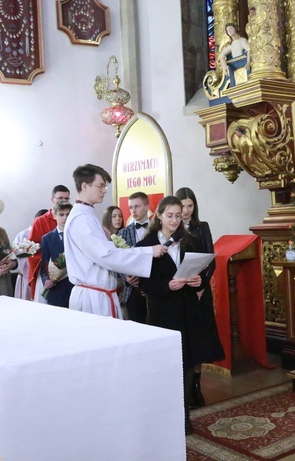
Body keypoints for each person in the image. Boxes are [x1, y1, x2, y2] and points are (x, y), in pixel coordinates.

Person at [137, 196, 216, 435]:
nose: (174, 220)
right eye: (169, 215)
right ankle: (165, 414)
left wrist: (196, 280)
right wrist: (166, 286)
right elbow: (144, 284)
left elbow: (199, 270)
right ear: (159, 215)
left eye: (178, 216)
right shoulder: (147, 244)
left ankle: (184, 416)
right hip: (163, 311)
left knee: (188, 361)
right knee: (168, 364)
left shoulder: (188, 240)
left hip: (188, 307)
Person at [63, 164, 166, 318]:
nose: (104, 190)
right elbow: (107, 255)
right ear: (84, 186)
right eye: (101, 185)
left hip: (99, 294)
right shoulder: (82, 219)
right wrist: (148, 251)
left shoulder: (86, 216)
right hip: (93, 299)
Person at [175, 187, 224, 407]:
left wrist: (202, 284)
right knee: (186, 338)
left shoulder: (202, 227)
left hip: (199, 289)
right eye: (182, 206)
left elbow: (210, 258)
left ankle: (197, 383)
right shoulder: (172, 230)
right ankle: (184, 385)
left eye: (189, 206)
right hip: (180, 290)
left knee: (200, 338)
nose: (185, 211)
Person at [27, 185, 71, 303]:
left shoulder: (73, 221)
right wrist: (52, 272)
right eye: (60, 198)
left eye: (66, 199)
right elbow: (33, 248)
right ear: (52, 199)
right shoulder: (41, 221)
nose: (63, 201)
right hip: (51, 276)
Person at [118, 192, 152, 323]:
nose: (133, 210)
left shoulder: (158, 229)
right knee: (135, 325)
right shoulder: (123, 232)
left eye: (137, 206)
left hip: (154, 287)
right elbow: (118, 260)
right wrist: (125, 277)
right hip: (132, 290)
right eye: (131, 207)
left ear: (147, 206)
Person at [40, 200, 73, 308]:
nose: (65, 218)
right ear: (54, 216)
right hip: (56, 290)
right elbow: (44, 266)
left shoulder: (78, 236)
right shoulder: (47, 238)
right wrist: (46, 280)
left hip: (75, 288)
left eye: (68, 214)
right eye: (61, 215)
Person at [13, 209, 48, 301]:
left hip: (42, 276)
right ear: (34, 220)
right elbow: (15, 255)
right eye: (37, 221)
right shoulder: (23, 235)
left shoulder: (49, 235)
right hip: (26, 275)